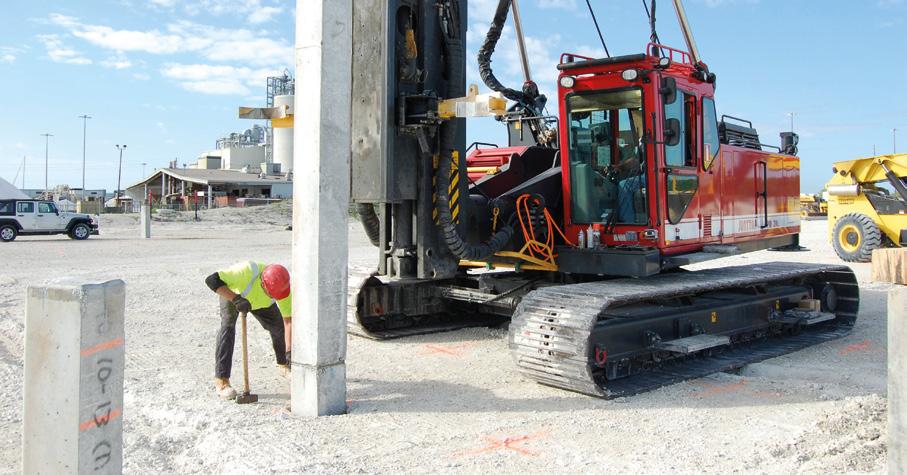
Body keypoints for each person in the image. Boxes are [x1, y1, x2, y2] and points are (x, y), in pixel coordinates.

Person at [205, 261, 292, 399]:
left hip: (260, 303)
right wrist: (236, 299)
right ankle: (222, 381)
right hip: (234, 295)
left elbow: (288, 321)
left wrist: (289, 351)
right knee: (227, 329)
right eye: (271, 295)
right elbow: (212, 280)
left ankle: (283, 364)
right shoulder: (246, 271)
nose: (274, 298)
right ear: (263, 284)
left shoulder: (282, 289)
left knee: (278, 327)